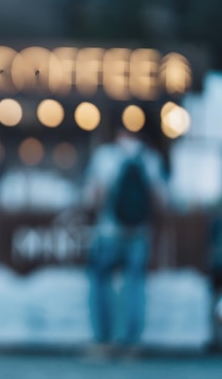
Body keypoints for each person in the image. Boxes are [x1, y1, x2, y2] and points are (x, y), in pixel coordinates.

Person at [82, 126, 167, 356]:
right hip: (139, 233)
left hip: (108, 231)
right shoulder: (150, 159)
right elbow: (160, 201)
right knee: (135, 286)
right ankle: (131, 343)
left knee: (100, 283)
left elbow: (92, 198)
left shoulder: (105, 156)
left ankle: (103, 339)